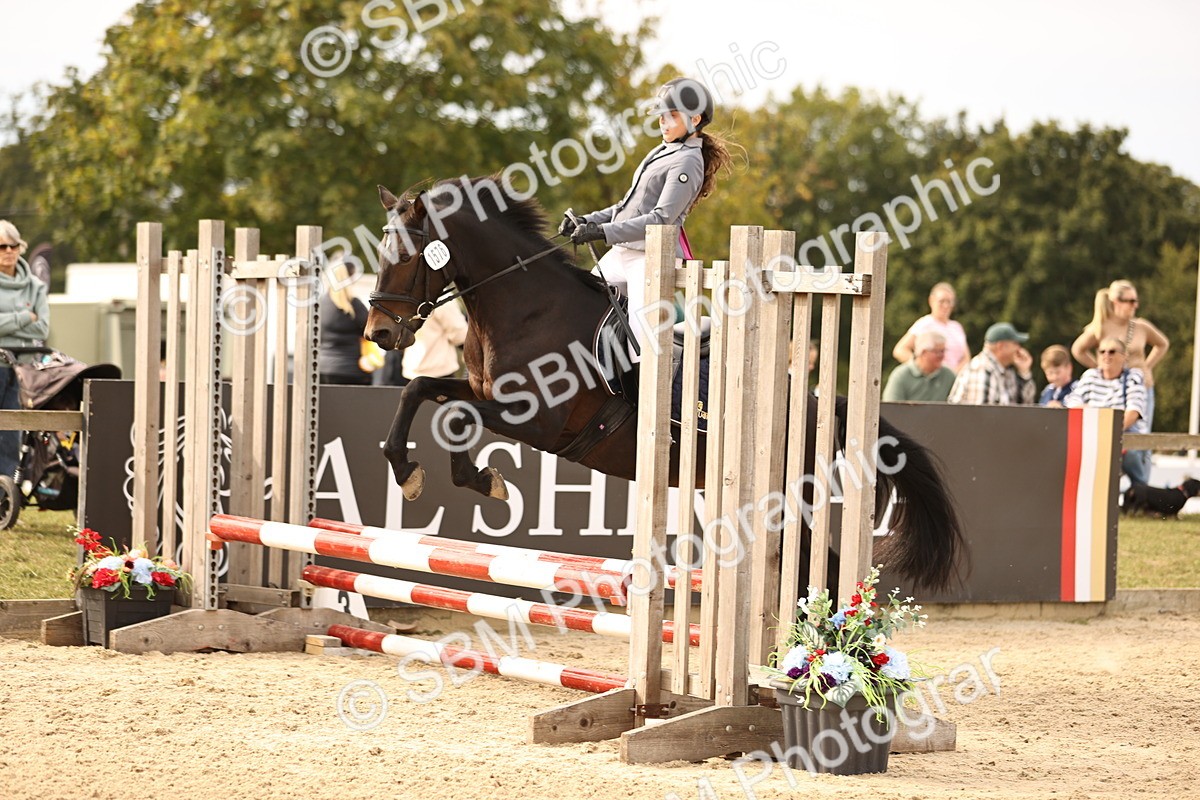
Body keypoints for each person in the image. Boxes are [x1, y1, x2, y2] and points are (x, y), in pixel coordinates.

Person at [558, 77, 731, 360]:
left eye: (671, 116)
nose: (663, 122)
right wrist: (585, 220)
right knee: (582, 308)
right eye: (662, 116)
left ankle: (647, 400)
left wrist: (602, 232)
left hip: (650, 259)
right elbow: (626, 206)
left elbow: (660, 219)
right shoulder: (662, 150)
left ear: (695, 119)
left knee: (641, 345)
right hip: (623, 253)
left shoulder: (689, 160)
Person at [1071, 280, 1168, 478]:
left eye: (1136, 300)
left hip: (1141, 387)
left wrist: (1147, 366)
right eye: (1130, 301)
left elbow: (1162, 344)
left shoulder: (1141, 326)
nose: (1135, 305)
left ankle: (1142, 489)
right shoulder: (1102, 326)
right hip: (1112, 389)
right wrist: (1099, 368)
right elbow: (1078, 350)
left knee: (1142, 438)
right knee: (1110, 435)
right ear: (1115, 301)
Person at [0, 220, 51, 477]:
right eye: (2, 246)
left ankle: (4, 492)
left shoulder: (35, 285)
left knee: (12, 431)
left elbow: (42, 328)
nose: (9, 251)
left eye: (13, 245)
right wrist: (23, 318)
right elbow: (31, 322)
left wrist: (7, 322)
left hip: (24, 368)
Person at [1064, 337, 1149, 485]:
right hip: (1093, 437)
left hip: (1123, 437)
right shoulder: (1090, 376)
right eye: (1102, 351)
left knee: (1130, 455)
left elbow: (1134, 412)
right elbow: (1072, 402)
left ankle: (1140, 497)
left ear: (1124, 356)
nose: (1106, 355)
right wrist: (1090, 412)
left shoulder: (1133, 376)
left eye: (1112, 352)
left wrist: (1108, 430)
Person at [947, 322, 1036, 405]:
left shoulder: (1006, 370)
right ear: (1001, 346)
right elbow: (979, 417)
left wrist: (1024, 372)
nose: (1019, 348)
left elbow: (1024, 408)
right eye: (1015, 343)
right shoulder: (981, 369)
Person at [892, 282, 971, 372]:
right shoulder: (924, 324)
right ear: (931, 301)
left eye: (949, 302)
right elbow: (900, 350)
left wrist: (953, 374)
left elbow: (966, 357)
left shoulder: (956, 327)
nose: (945, 306)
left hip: (956, 380)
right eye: (941, 301)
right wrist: (920, 366)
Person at [317, 263, 371, 385]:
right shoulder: (355, 305)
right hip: (352, 371)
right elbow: (370, 332)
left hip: (322, 368)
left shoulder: (320, 305)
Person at [402, 300, 468, 380]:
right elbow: (460, 336)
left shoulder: (410, 298)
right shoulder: (444, 300)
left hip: (410, 370)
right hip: (439, 372)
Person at [882, 332, 956, 402]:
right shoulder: (901, 375)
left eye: (943, 351)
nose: (942, 356)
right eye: (938, 352)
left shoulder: (948, 375)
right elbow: (891, 408)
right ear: (923, 352)